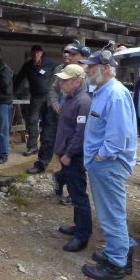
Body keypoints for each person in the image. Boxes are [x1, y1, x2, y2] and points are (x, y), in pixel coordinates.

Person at [79, 50, 138, 280]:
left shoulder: (115, 94)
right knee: (110, 213)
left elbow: (118, 137)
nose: (86, 70)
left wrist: (100, 158)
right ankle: (122, 251)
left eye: (91, 67)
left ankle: (116, 266)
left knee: (111, 214)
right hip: (103, 164)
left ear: (105, 68)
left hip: (109, 164)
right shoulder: (102, 92)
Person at [52, 64, 92, 252]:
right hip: (66, 154)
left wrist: (69, 154)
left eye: (65, 80)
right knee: (75, 194)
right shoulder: (70, 98)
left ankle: (82, 236)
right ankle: (78, 226)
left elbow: (80, 132)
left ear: (76, 82)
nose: (61, 83)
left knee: (78, 195)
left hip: (74, 157)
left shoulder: (82, 102)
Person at [49, 41, 91, 203]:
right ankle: (65, 183)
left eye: (72, 54)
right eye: (66, 52)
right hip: (66, 114)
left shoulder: (89, 72)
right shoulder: (62, 70)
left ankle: (69, 188)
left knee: (75, 159)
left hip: (83, 114)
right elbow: (53, 88)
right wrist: (54, 103)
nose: (68, 56)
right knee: (67, 156)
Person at [13, 45, 58, 173]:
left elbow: (61, 70)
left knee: (49, 122)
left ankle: (47, 146)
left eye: (37, 53)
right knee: (32, 120)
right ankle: (32, 146)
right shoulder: (27, 65)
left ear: (41, 54)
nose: (35, 55)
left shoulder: (50, 63)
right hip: (36, 97)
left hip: (49, 96)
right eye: (33, 53)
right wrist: (13, 91)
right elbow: (19, 78)